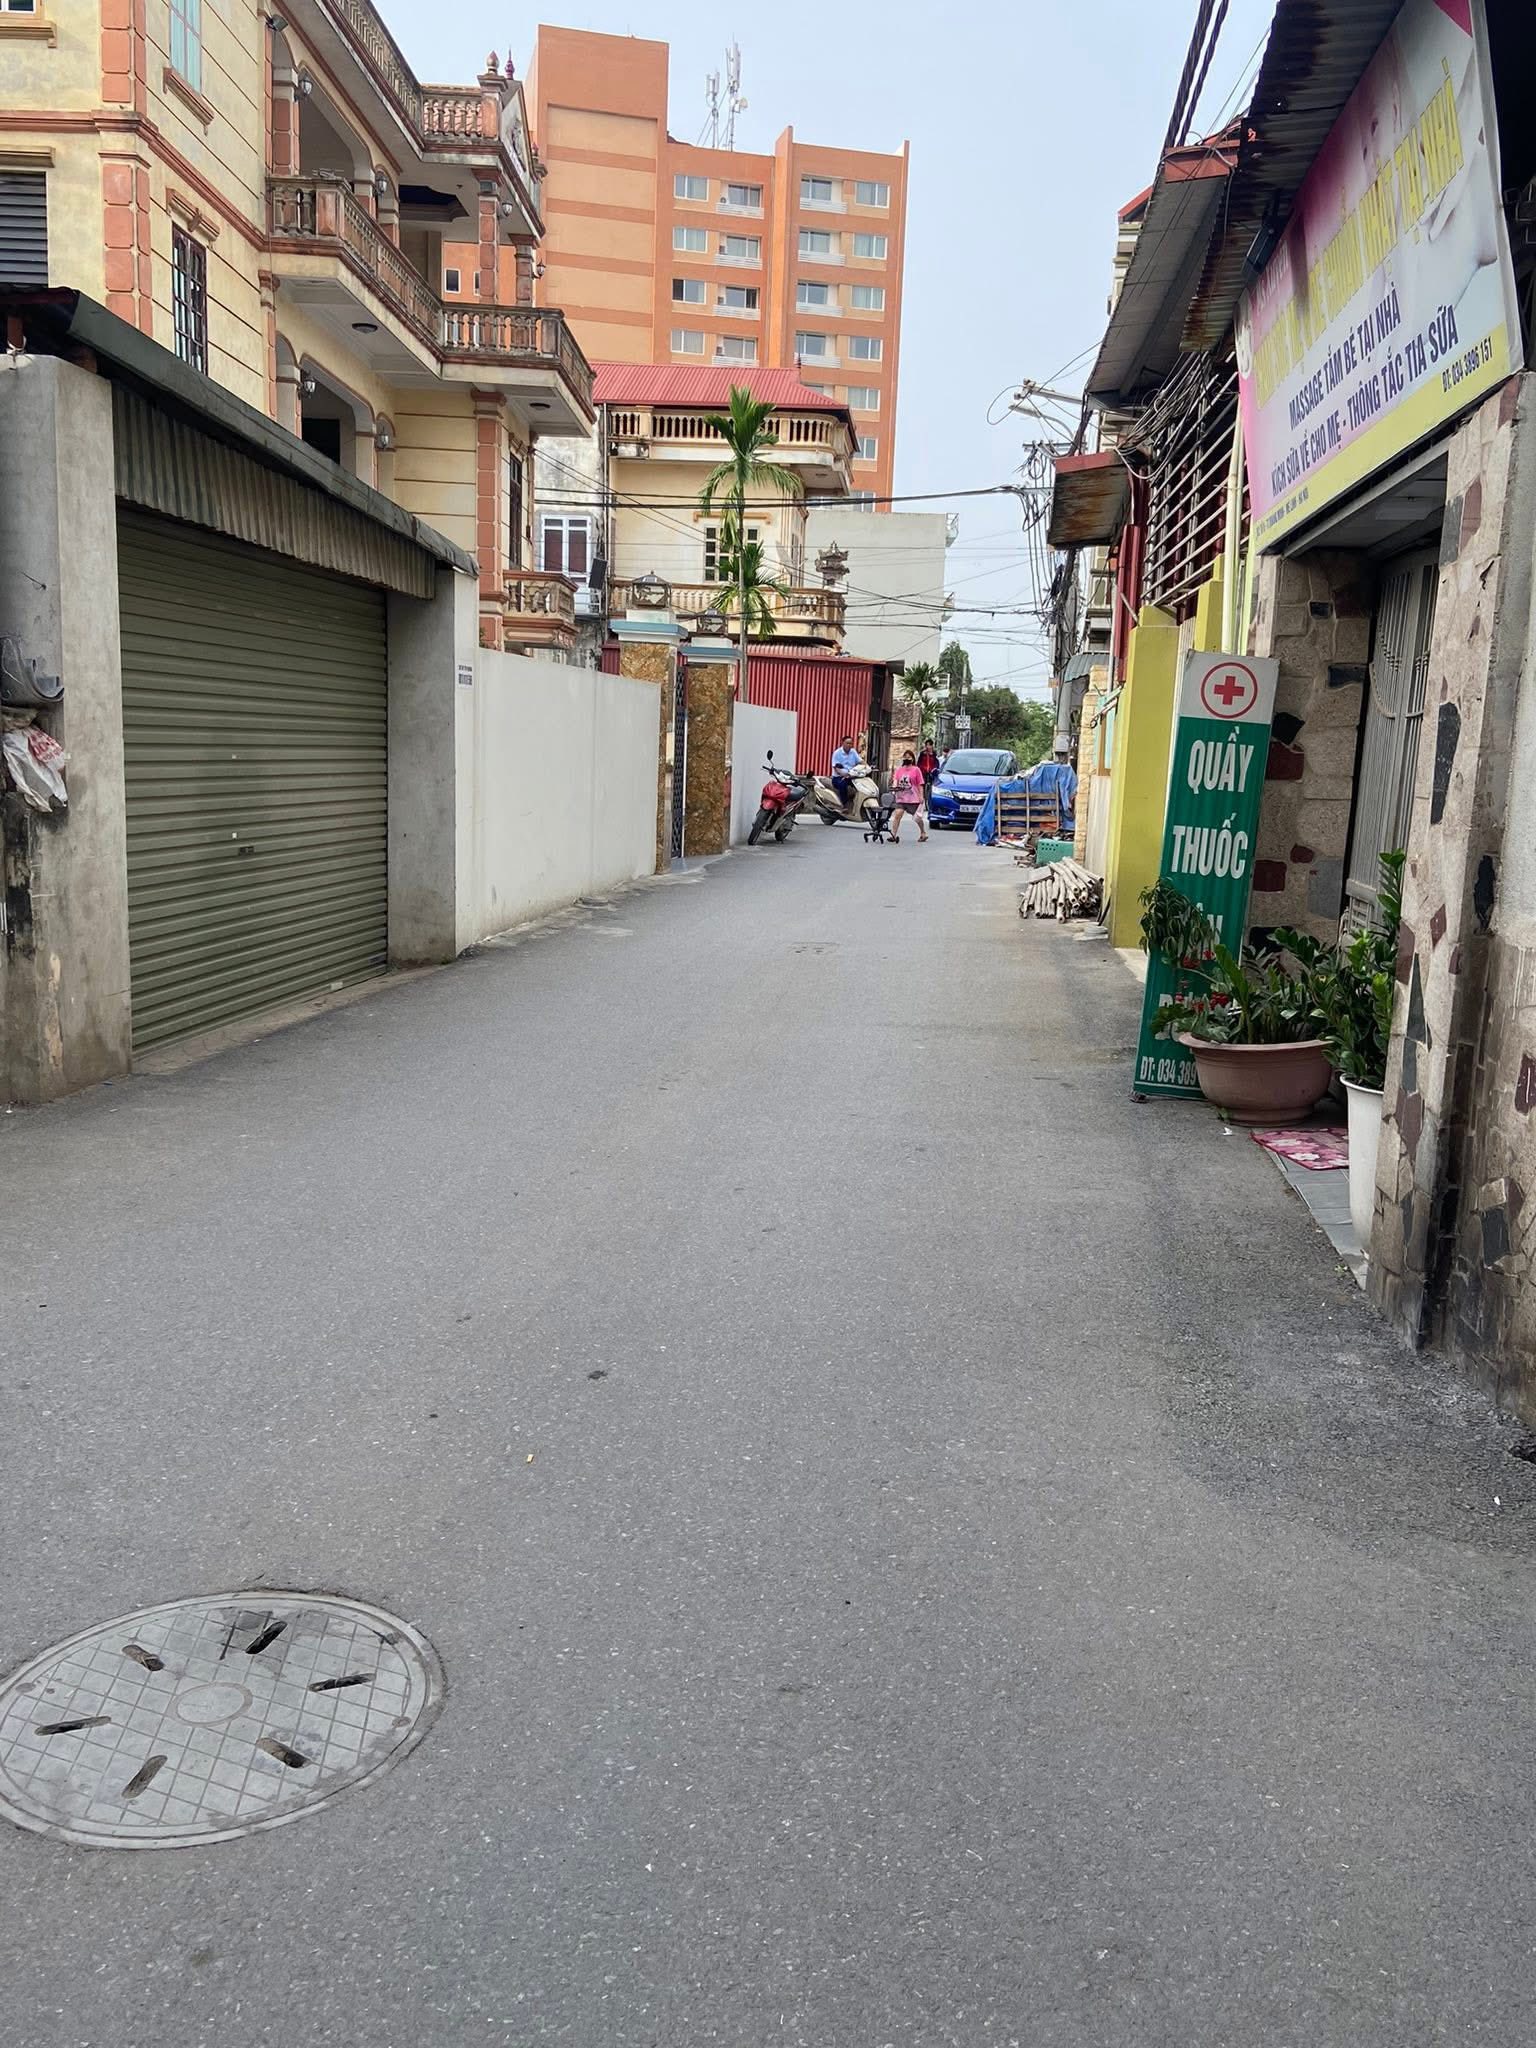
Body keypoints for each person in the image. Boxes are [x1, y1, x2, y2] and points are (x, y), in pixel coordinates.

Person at [889, 751, 928, 843]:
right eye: (905, 757)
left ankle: (923, 832)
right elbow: (895, 780)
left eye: (909, 757)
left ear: (912, 759)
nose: (907, 759)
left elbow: (920, 784)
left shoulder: (916, 770)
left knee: (917, 818)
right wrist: (894, 788)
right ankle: (893, 835)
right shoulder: (899, 770)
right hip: (901, 798)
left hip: (912, 798)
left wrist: (921, 796)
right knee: (898, 814)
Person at [830, 735, 863, 808]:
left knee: (861, 785)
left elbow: (860, 761)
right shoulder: (837, 753)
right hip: (839, 777)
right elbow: (836, 769)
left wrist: (866, 766)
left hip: (852, 776)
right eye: (847, 743)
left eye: (851, 743)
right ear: (842, 743)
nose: (849, 745)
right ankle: (844, 805)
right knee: (842, 785)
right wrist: (844, 774)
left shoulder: (853, 752)